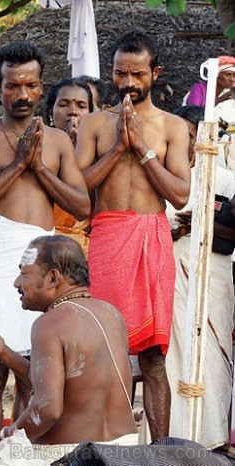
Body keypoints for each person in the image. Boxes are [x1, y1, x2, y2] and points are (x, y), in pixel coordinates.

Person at [0, 41, 90, 433]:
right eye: (13, 85)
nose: (22, 94)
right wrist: (18, 166)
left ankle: (22, 452)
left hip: (46, 256)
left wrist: (41, 170)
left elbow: (82, 206)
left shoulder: (58, 140)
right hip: (0, 254)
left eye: (30, 85)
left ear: (41, 86)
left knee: (36, 366)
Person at [76, 30, 190, 441]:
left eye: (137, 74)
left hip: (151, 241)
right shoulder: (93, 124)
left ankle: (159, 450)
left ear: (154, 73)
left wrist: (142, 149)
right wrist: (116, 151)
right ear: (111, 71)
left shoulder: (172, 127)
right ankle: (111, 447)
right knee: (106, 352)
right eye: (120, 73)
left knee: (154, 358)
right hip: (107, 239)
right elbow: (77, 190)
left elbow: (179, 195)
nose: (127, 82)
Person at [0, 235, 138, 463]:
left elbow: (47, 409)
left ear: (53, 277)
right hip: (125, 452)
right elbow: (72, 386)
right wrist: (5, 354)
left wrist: (1, 436)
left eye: (24, 273)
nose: (17, 283)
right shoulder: (112, 314)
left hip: (71, 456)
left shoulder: (49, 323)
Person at [165, 105, 235, 449]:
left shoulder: (224, 178)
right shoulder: (162, 177)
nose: (186, 145)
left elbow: (231, 230)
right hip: (173, 273)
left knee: (214, 353)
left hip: (214, 274)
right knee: (176, 356)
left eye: (191, 138)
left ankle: (215, 438)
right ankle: (178, 436)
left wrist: (203, 222)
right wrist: (175, 230)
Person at [44, 77, 96, 254]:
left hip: (84, 251)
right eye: (64, 104)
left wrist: (76, 153)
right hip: (43, 244)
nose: (73, 112)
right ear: (51, 113)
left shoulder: (101, 155)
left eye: (81, 106)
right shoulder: (35, 148)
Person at [185, 55, 235, 129]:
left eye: (234, 75)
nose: (232, 79)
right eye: (228, 74)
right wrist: (220, 100)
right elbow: (192, 114)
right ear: (217, 75)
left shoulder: (228, 93)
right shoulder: (199, 89)